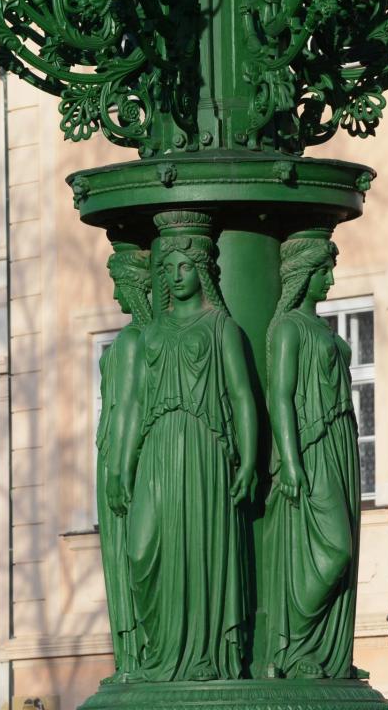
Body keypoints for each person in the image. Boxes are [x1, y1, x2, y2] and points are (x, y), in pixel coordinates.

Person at [113, 211, 257, 682]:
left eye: (185, 267)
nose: (175, 277)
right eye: (168, 268)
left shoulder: (222, 329)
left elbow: (242, 396)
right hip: (157, 449)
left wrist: (248, 460)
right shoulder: (152, 333)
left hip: (204, 452)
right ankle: (160, 654)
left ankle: (202, 656)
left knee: (200, 553)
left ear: (204, 271)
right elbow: (136, 403)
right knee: (142, 549)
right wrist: (122, 465)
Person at [261, 229, 360, 679]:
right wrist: (290, 460)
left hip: (339, 443)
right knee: (334, 550)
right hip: (311, 446)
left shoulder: (323, 329)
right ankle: (294, 645)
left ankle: (325, 653)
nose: (331, 280)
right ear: (304, 275)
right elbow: (279, 395)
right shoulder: (289, 328)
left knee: (344, 551)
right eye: (324, 272)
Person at [94, 242, 151, 682]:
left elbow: (130, 405)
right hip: (117, 452)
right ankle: (133, 654)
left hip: (121, 457)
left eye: (121, 285)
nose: (116, 296)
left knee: (129, 558)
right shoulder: (137, 339)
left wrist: (119, 469)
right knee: (123, 559)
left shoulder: (135, 340)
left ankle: (137, 653)